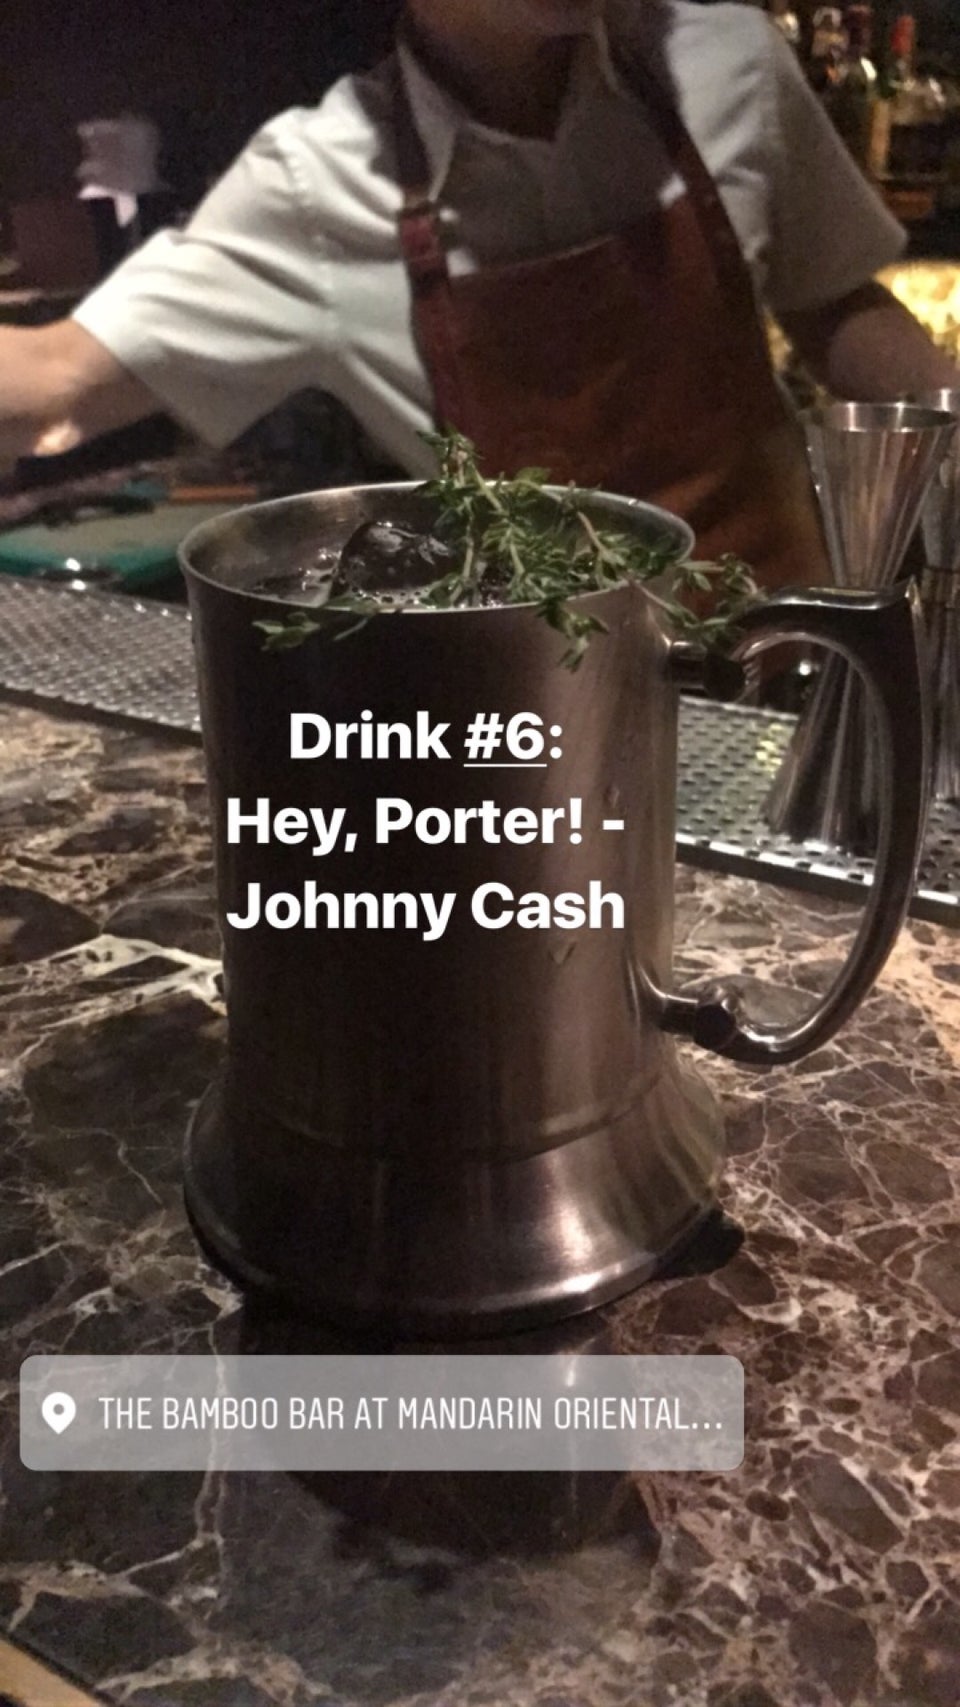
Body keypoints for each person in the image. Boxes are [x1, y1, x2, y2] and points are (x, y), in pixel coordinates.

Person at [1, 0, 957, 585]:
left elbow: (834, 304)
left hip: (797, 658)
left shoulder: (731, 62)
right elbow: (52, 383)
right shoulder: (314, 185)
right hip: (554, 713)